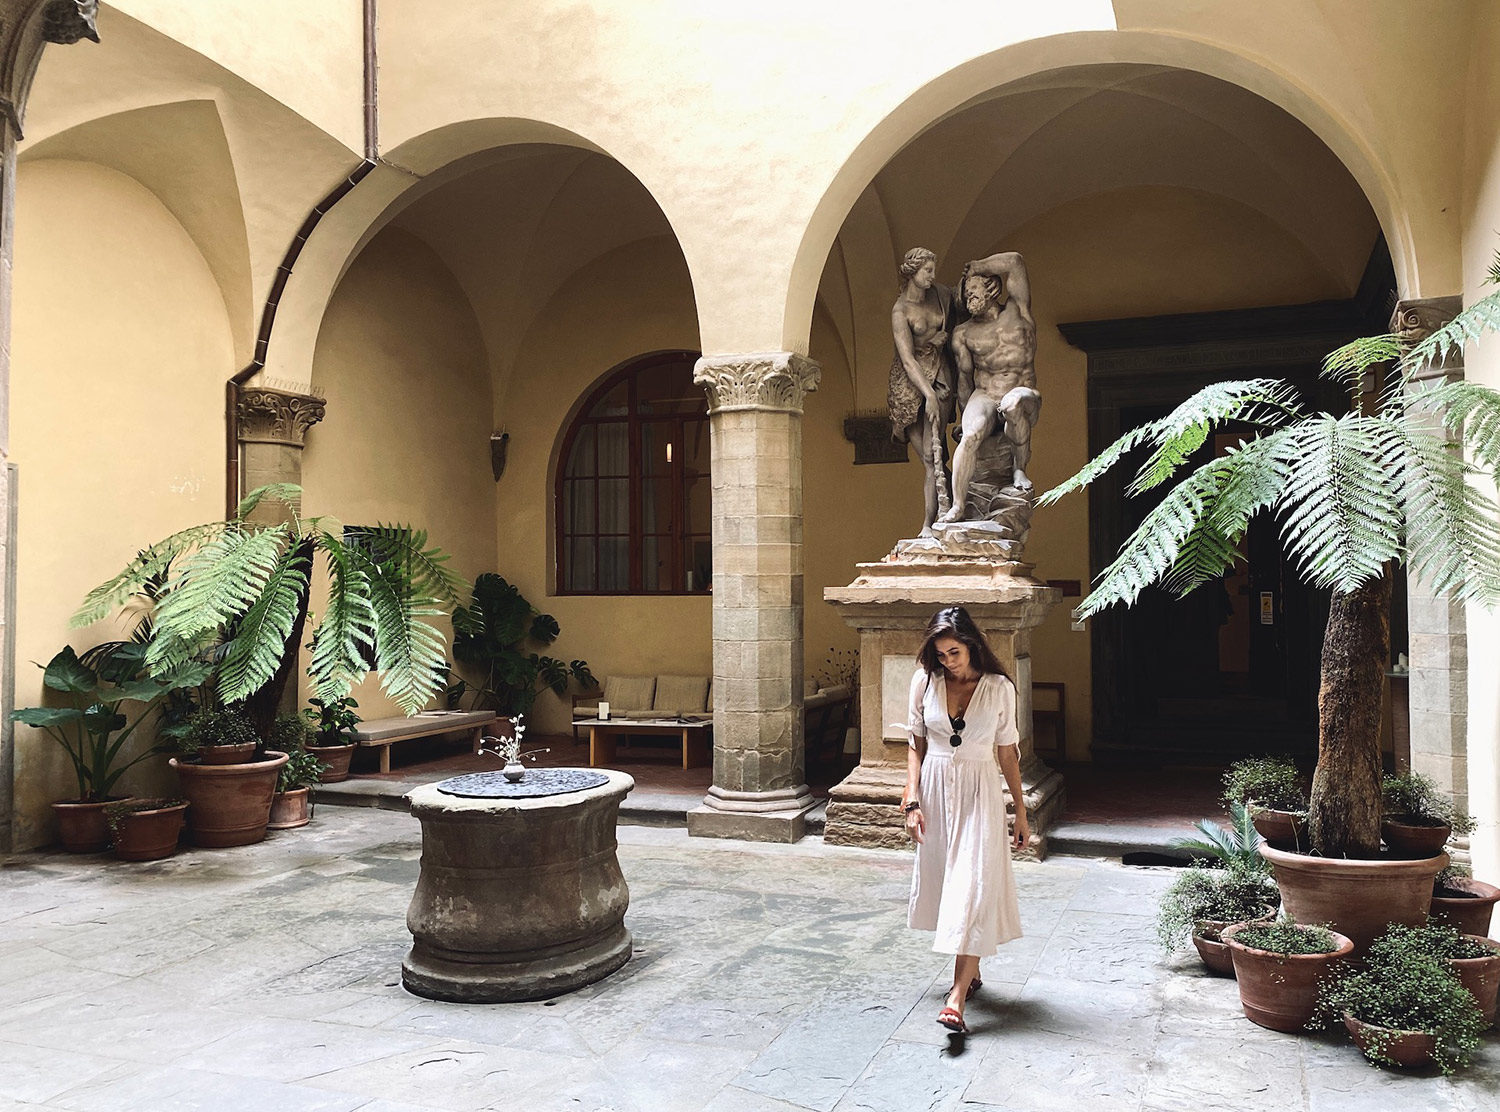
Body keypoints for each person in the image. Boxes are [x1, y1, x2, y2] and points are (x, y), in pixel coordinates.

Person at [901, 605, 1031, 1034]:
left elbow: (1007, 752)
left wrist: (1020, 810)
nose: (947, 661)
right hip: (935, 791)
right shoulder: (925, 681)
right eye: (941, 654)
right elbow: (916, 745)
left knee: (973, 886)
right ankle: (971, 975)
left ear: (972, 645)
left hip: (980, 791)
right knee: (947, 885)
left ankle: (955, 997)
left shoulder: (998, 688)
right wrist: (911, 800)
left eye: (954, 652)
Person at [940, 252, 1042, 523]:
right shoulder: (963, 333)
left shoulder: (1017, 309)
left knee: (1013, 404)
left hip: (1021, 390)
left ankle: (1019, 469)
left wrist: (977, 266)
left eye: (972, 289)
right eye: (965, 292)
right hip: (985, 393)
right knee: (970, 436)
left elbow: (1016, 261)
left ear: (991, 287)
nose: (967, 296)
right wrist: (964, 417)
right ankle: (959, 506)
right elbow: (964, 379)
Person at [887, 247, 958, 537]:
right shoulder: (900, 311)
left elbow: (963, 297)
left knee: (933, 455)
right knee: (929, 458)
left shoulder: (940, 294)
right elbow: (906, 359)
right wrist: (926, 394)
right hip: (908, 384)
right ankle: (954, 503)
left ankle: (931, 524)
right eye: (927, 270)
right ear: (912, 272)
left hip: (939, 375)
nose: (932, 275)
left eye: (933, 269)